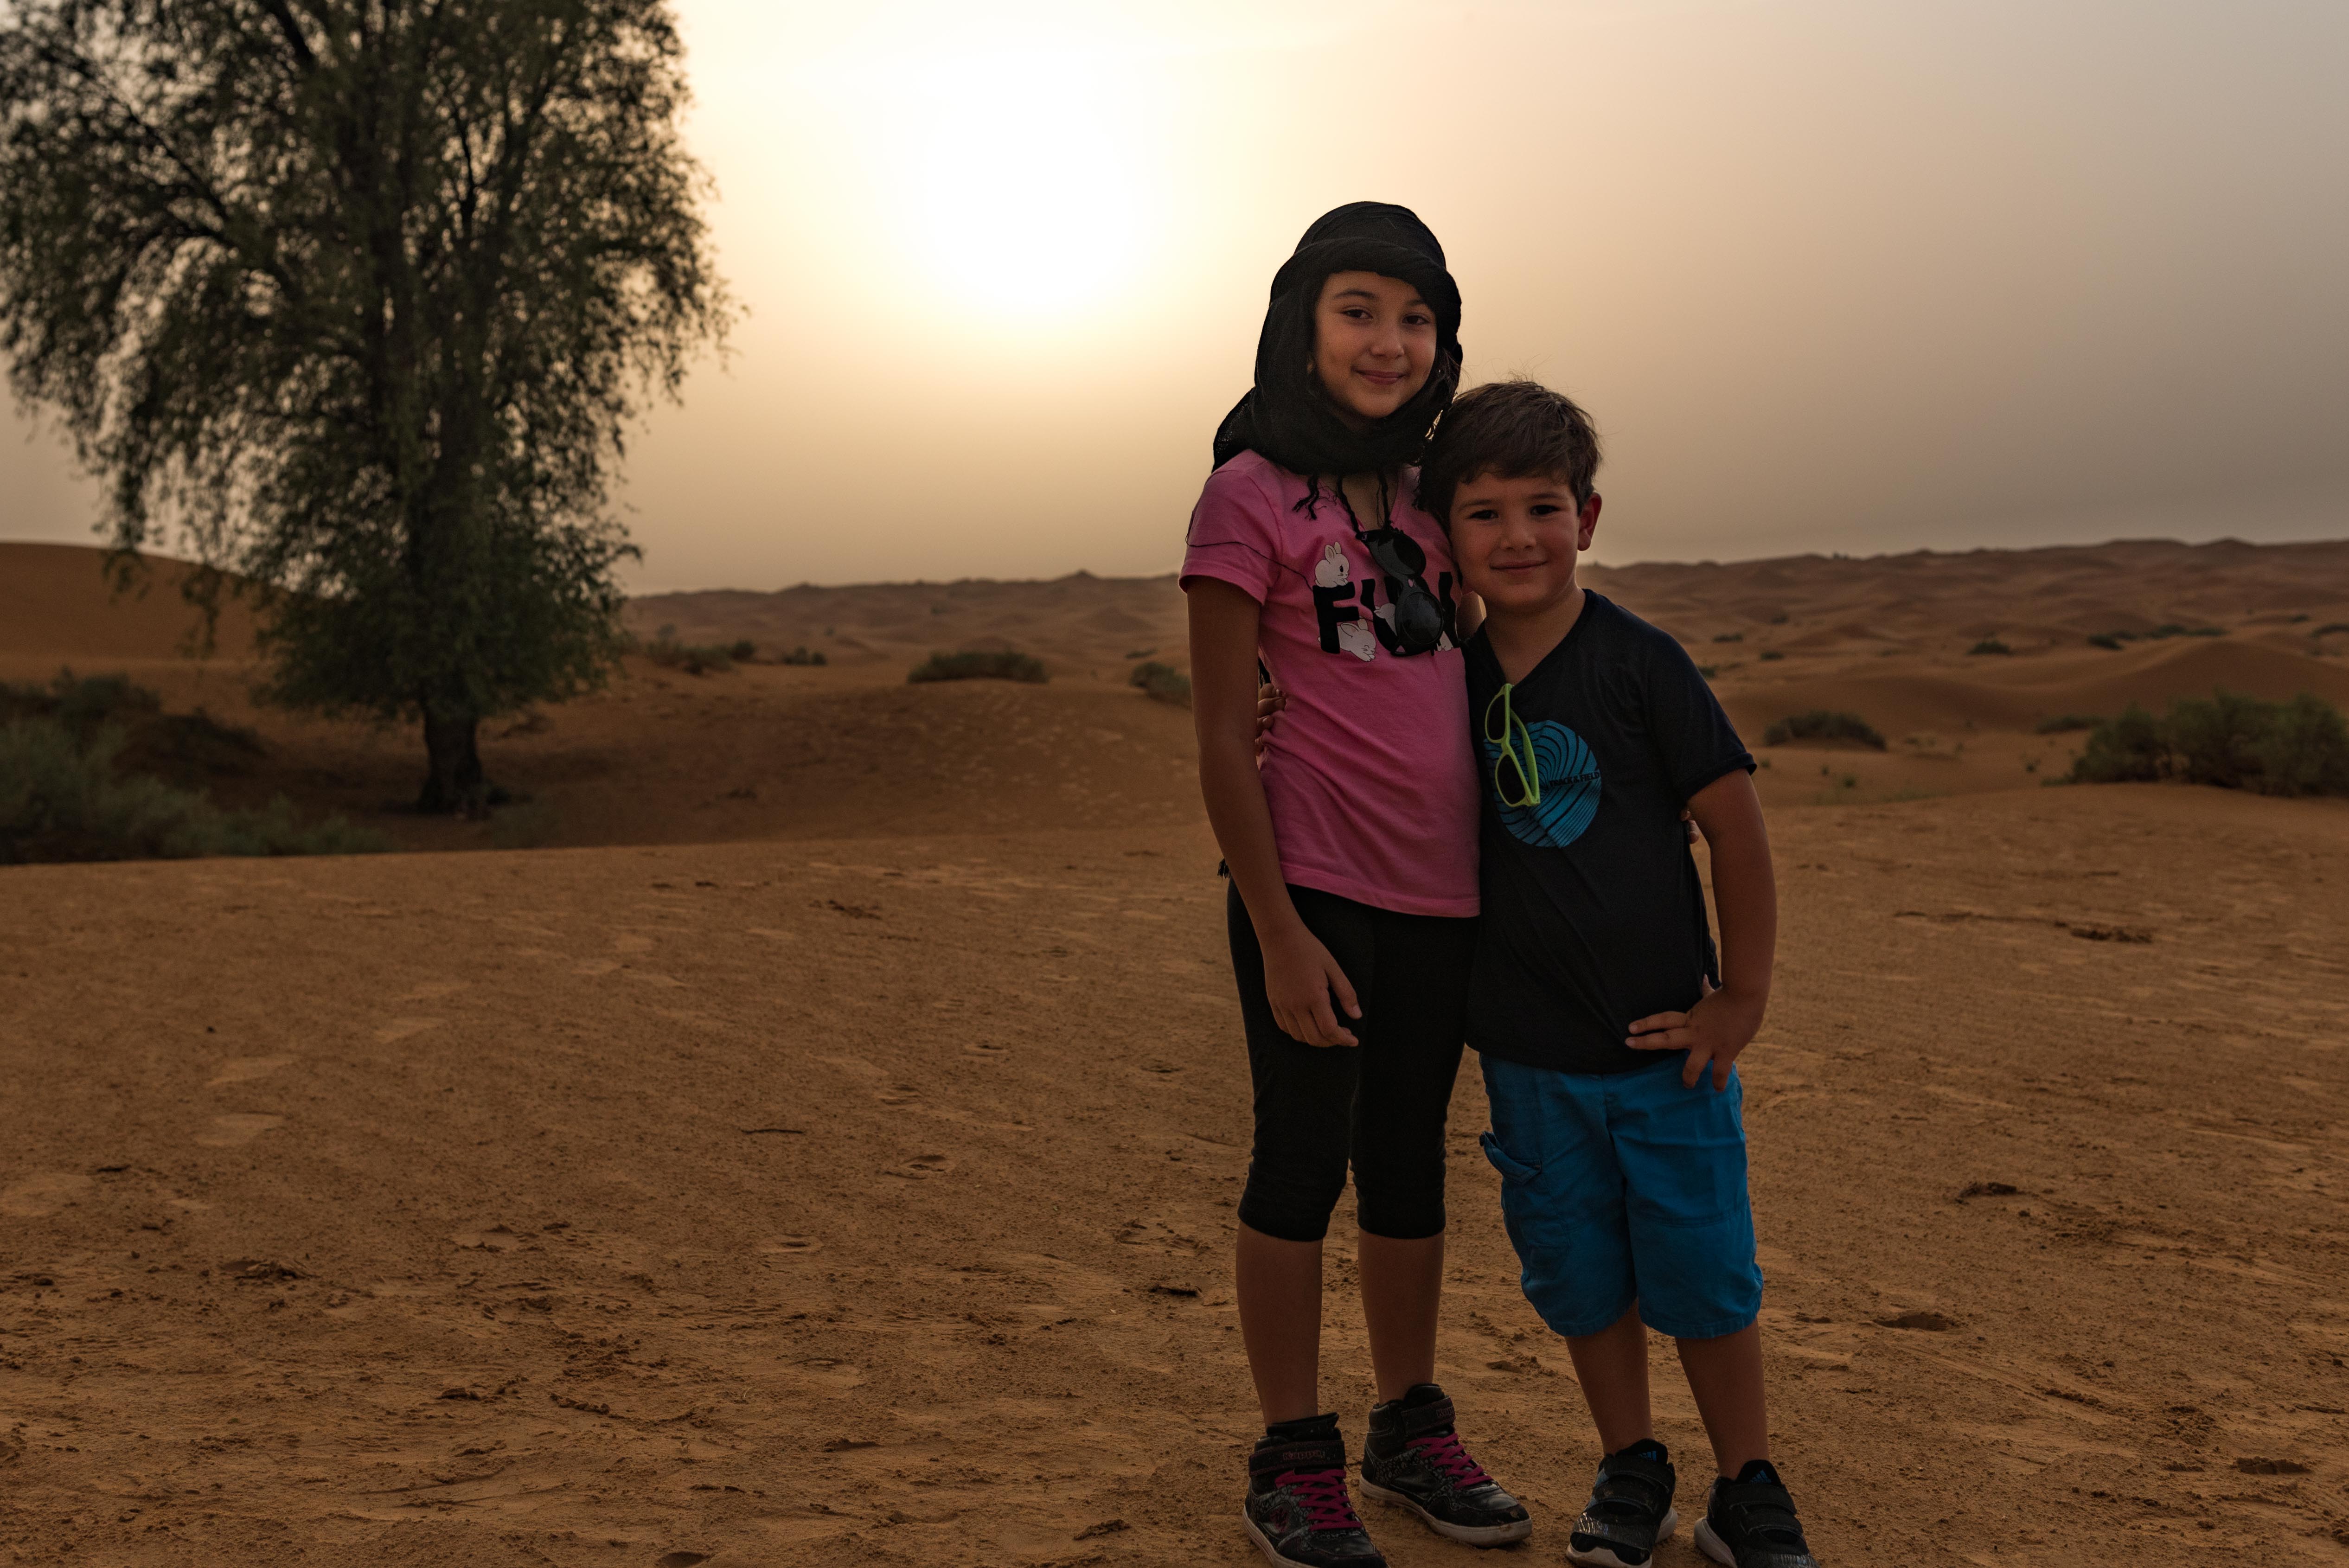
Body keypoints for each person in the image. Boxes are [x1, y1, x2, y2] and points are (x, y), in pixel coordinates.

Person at [1417, 378, 1821, 1568]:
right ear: (1446, 533)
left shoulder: (1643, 662)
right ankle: (1630, 1465)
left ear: (1586, 518)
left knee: (1704, 1271)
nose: (1517, 537)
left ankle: (1745, 1485)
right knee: (1581, 1276)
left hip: (1666, 1052)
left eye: (1542, 507)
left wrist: (1739, 997)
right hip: (1530, 1061)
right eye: (1483, 512)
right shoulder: (1444, 682)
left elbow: (1735, 827)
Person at [1182, 203, 1531, 1568]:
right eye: (1358, 311)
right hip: (1311, 885)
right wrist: (1275, 928)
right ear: (1302, 325)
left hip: (1441, 891)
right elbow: (1223, 732)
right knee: (1297, 1159)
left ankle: (1406, 1425)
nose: (1389, 341)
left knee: (1406, 1159)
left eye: (1416, 318)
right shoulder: (1247, 492)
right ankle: (1291, 1455)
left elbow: (1493, 641)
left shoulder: (1441, 492)